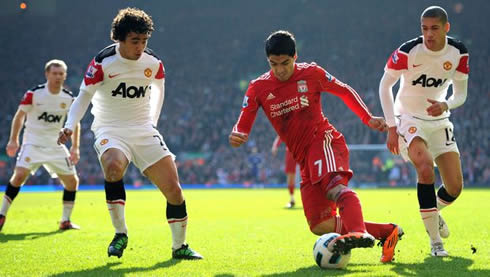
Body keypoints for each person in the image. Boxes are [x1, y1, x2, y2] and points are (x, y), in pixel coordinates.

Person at [229, 30, 403, 263]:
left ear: (295, 56)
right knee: (319, 224)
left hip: (323, 141)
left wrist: (367, 118)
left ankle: (358, 231)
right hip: (303, 158)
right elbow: (244, 120)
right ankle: (386, 232)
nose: (280, 69)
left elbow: (344, 90)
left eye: (285, 63)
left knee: (335, 190)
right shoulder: (258, 87)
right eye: (273, 64)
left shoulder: (312, 73)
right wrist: (238, 133)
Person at [57, 8, 202, 260]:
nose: (140, 47)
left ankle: (179, 246)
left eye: (145, 41)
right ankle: (120, 232)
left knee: (174, 191)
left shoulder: (153, 62)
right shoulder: (103, 62)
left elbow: (159, 90)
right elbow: (83, 97)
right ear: (119, 39)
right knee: (113, 166)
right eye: (135, 41)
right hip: (110, 128)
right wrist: (70, 125)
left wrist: (153, 122)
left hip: (143, 130)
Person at [379, 6, 469, 257]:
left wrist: (446, 103)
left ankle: (433, 211)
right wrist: (392, 126)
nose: (429, 34)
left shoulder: (458, 52)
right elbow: (385, 85)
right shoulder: (408, 51)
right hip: (408, 118)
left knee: (454, 187)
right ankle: (436, 243)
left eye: (435, 28)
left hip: (440, 119)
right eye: (424, 28)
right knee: (426, 168)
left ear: (446, 28)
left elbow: (461, 93)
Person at [0, 60, 81, 232]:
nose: (58, 76)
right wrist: (14, 139)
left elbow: (75, 123)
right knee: (19, 175)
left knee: (72, 182)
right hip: (33, 144)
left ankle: (65, 221)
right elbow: (19, 116)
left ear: (65, 75)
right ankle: (2, 215)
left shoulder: (68, 97)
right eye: (55, 73)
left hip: (56, 146)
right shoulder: (34, 94)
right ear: (47, 74)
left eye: (61, 74)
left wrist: (75, 147)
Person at [271, 135, 298, 208]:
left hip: (302, 149)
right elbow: (280, 135)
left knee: (309, 173)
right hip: (291, 151)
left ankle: (312, 198)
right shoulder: (288, 126)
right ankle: (292, 199)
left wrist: (275, 146)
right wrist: (275, 146)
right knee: (290, 177)